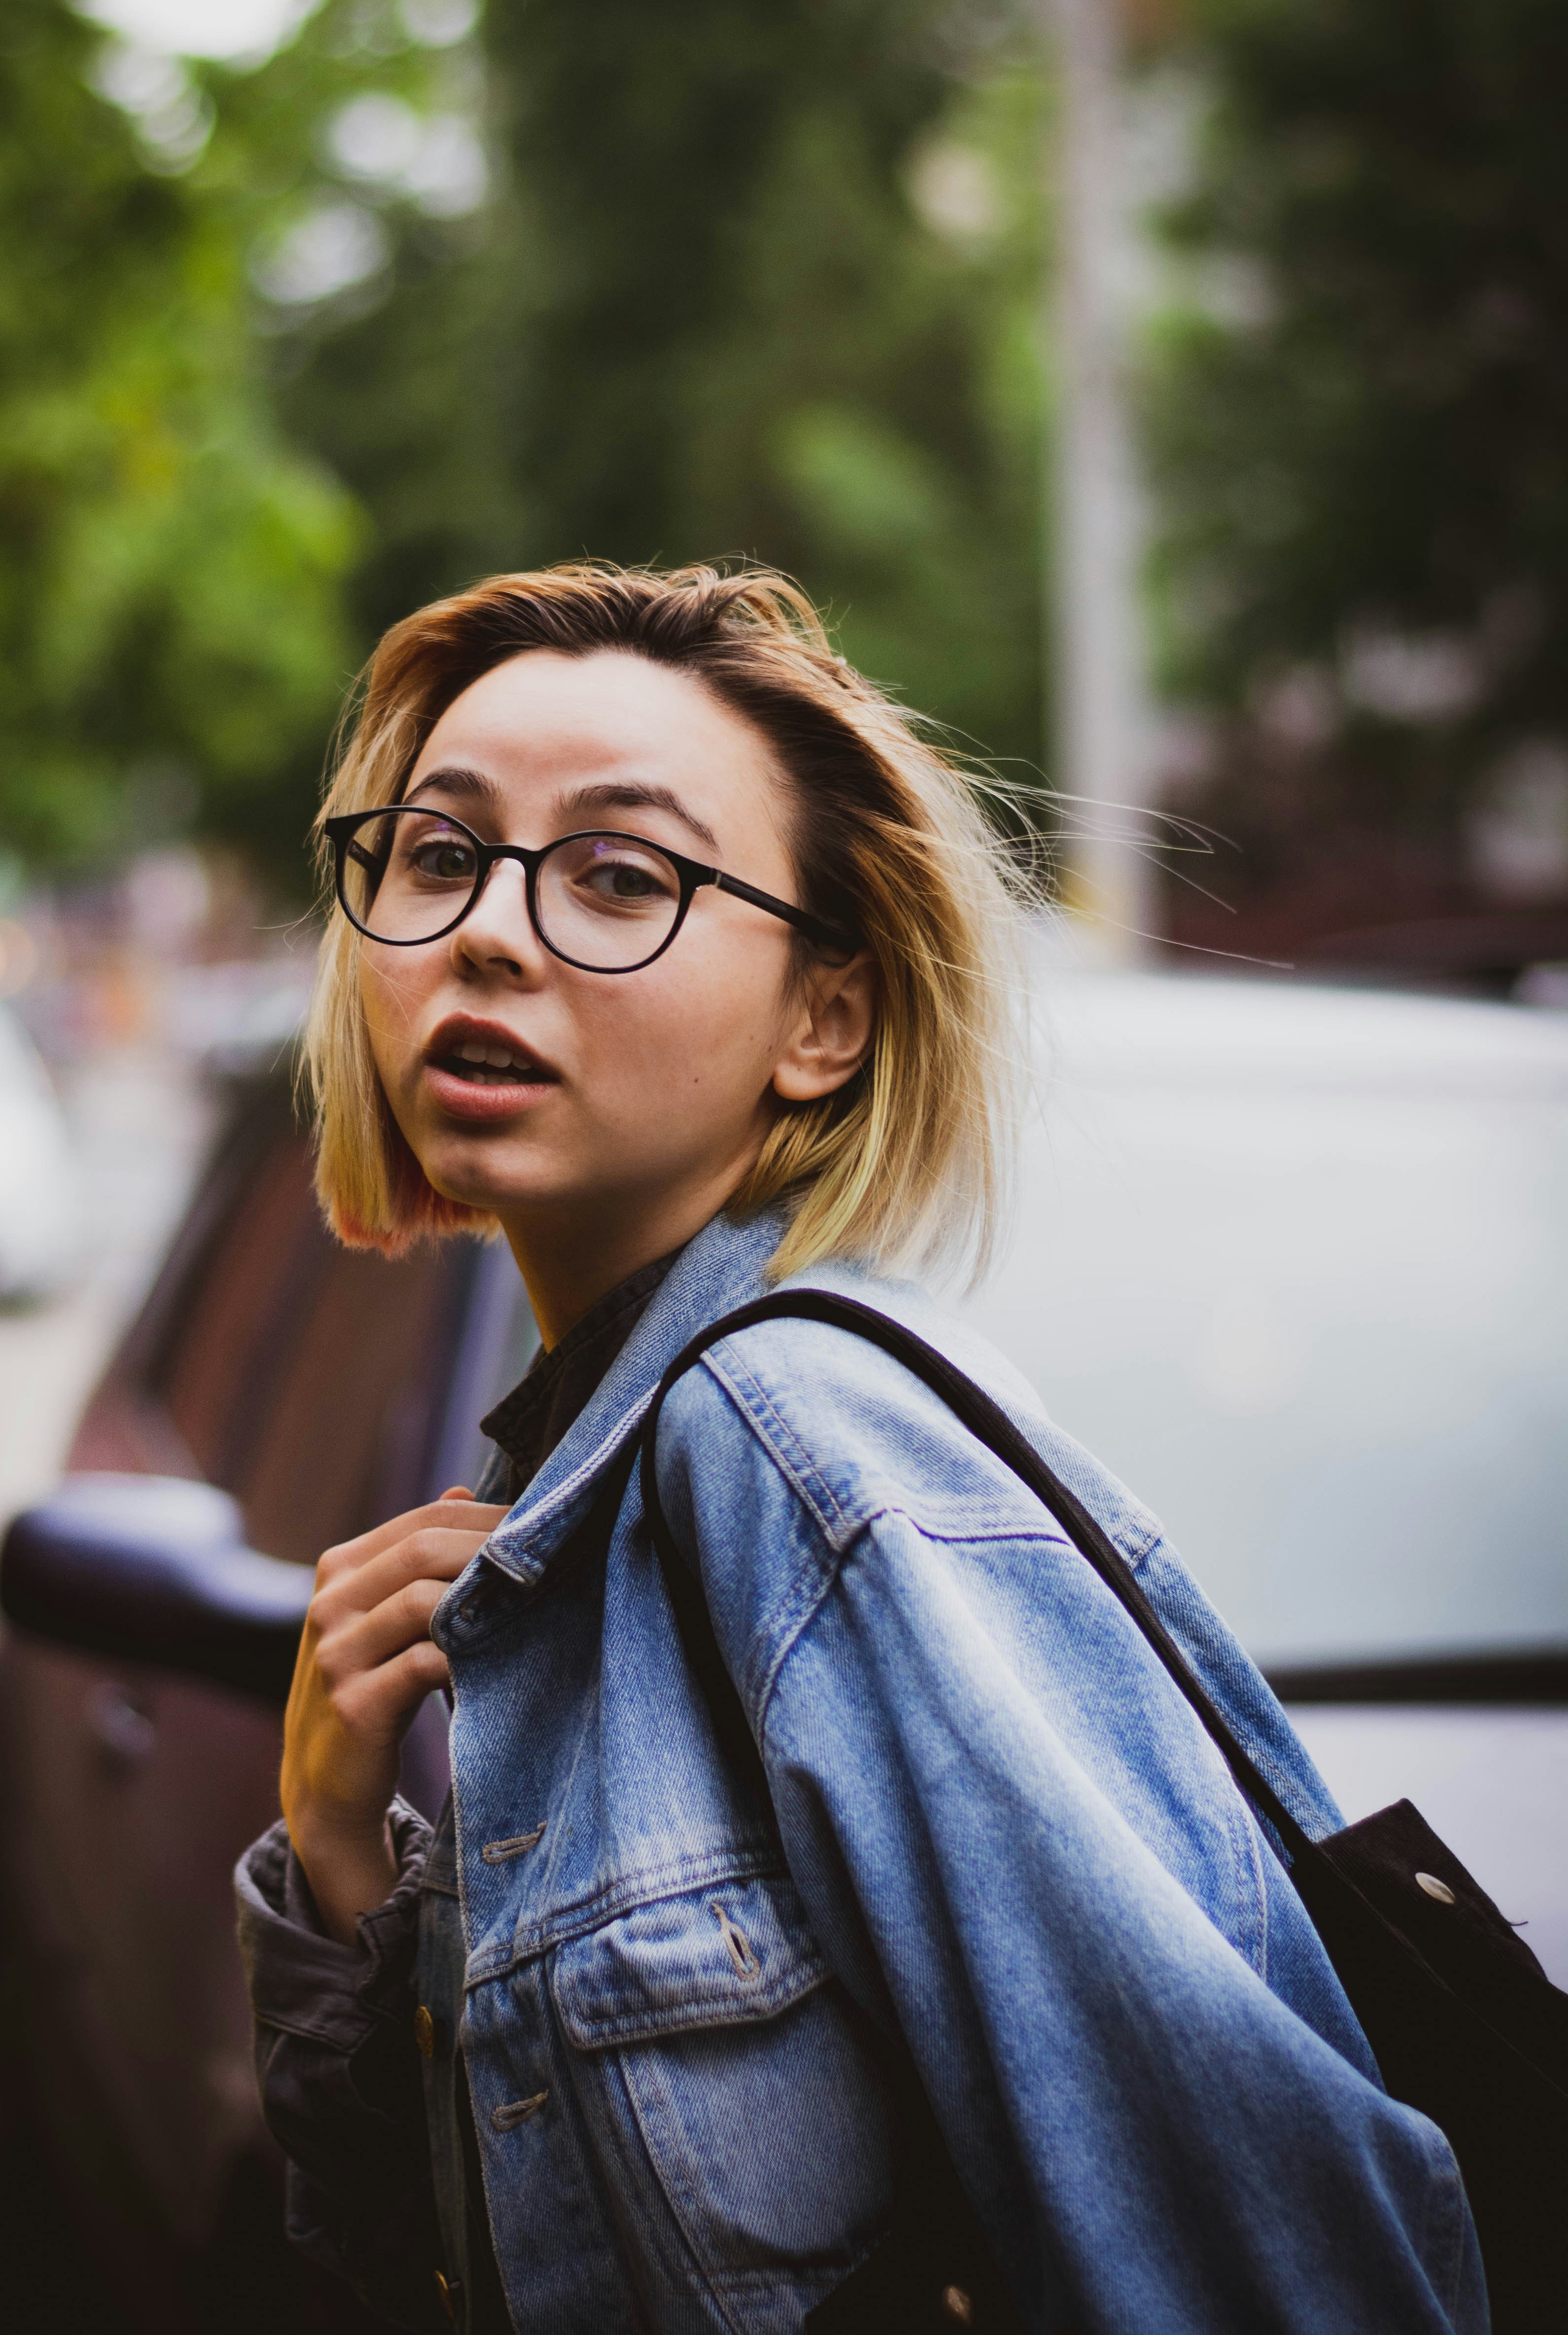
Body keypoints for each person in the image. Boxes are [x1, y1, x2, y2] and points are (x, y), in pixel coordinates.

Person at [235, 563, 1485, 2334]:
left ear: (825, 1016)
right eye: (439, 854)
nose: (490, 931)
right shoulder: (585, 1481)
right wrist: (344, 1867)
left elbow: (1262, 2262)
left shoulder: (794, 1446)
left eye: (619, 874)